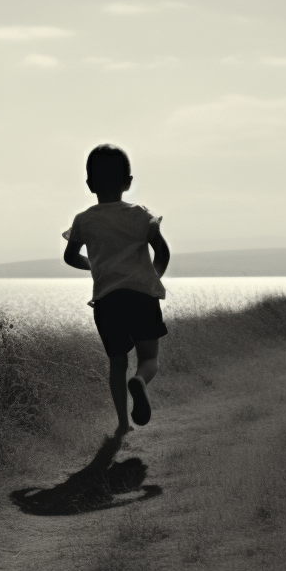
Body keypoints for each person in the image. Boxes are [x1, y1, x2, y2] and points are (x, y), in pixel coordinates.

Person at [62, 144, 170, 445]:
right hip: (141, 295)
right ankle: (140, 381)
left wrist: (95, 266)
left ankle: (123, 424)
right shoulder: (140, 215)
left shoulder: (84, 220)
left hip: (107, 301)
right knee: (149, 358)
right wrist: (153, 276)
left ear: (89, 184)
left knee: (117, 362)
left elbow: (70, 257)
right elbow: (162, 251)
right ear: (128, 182)